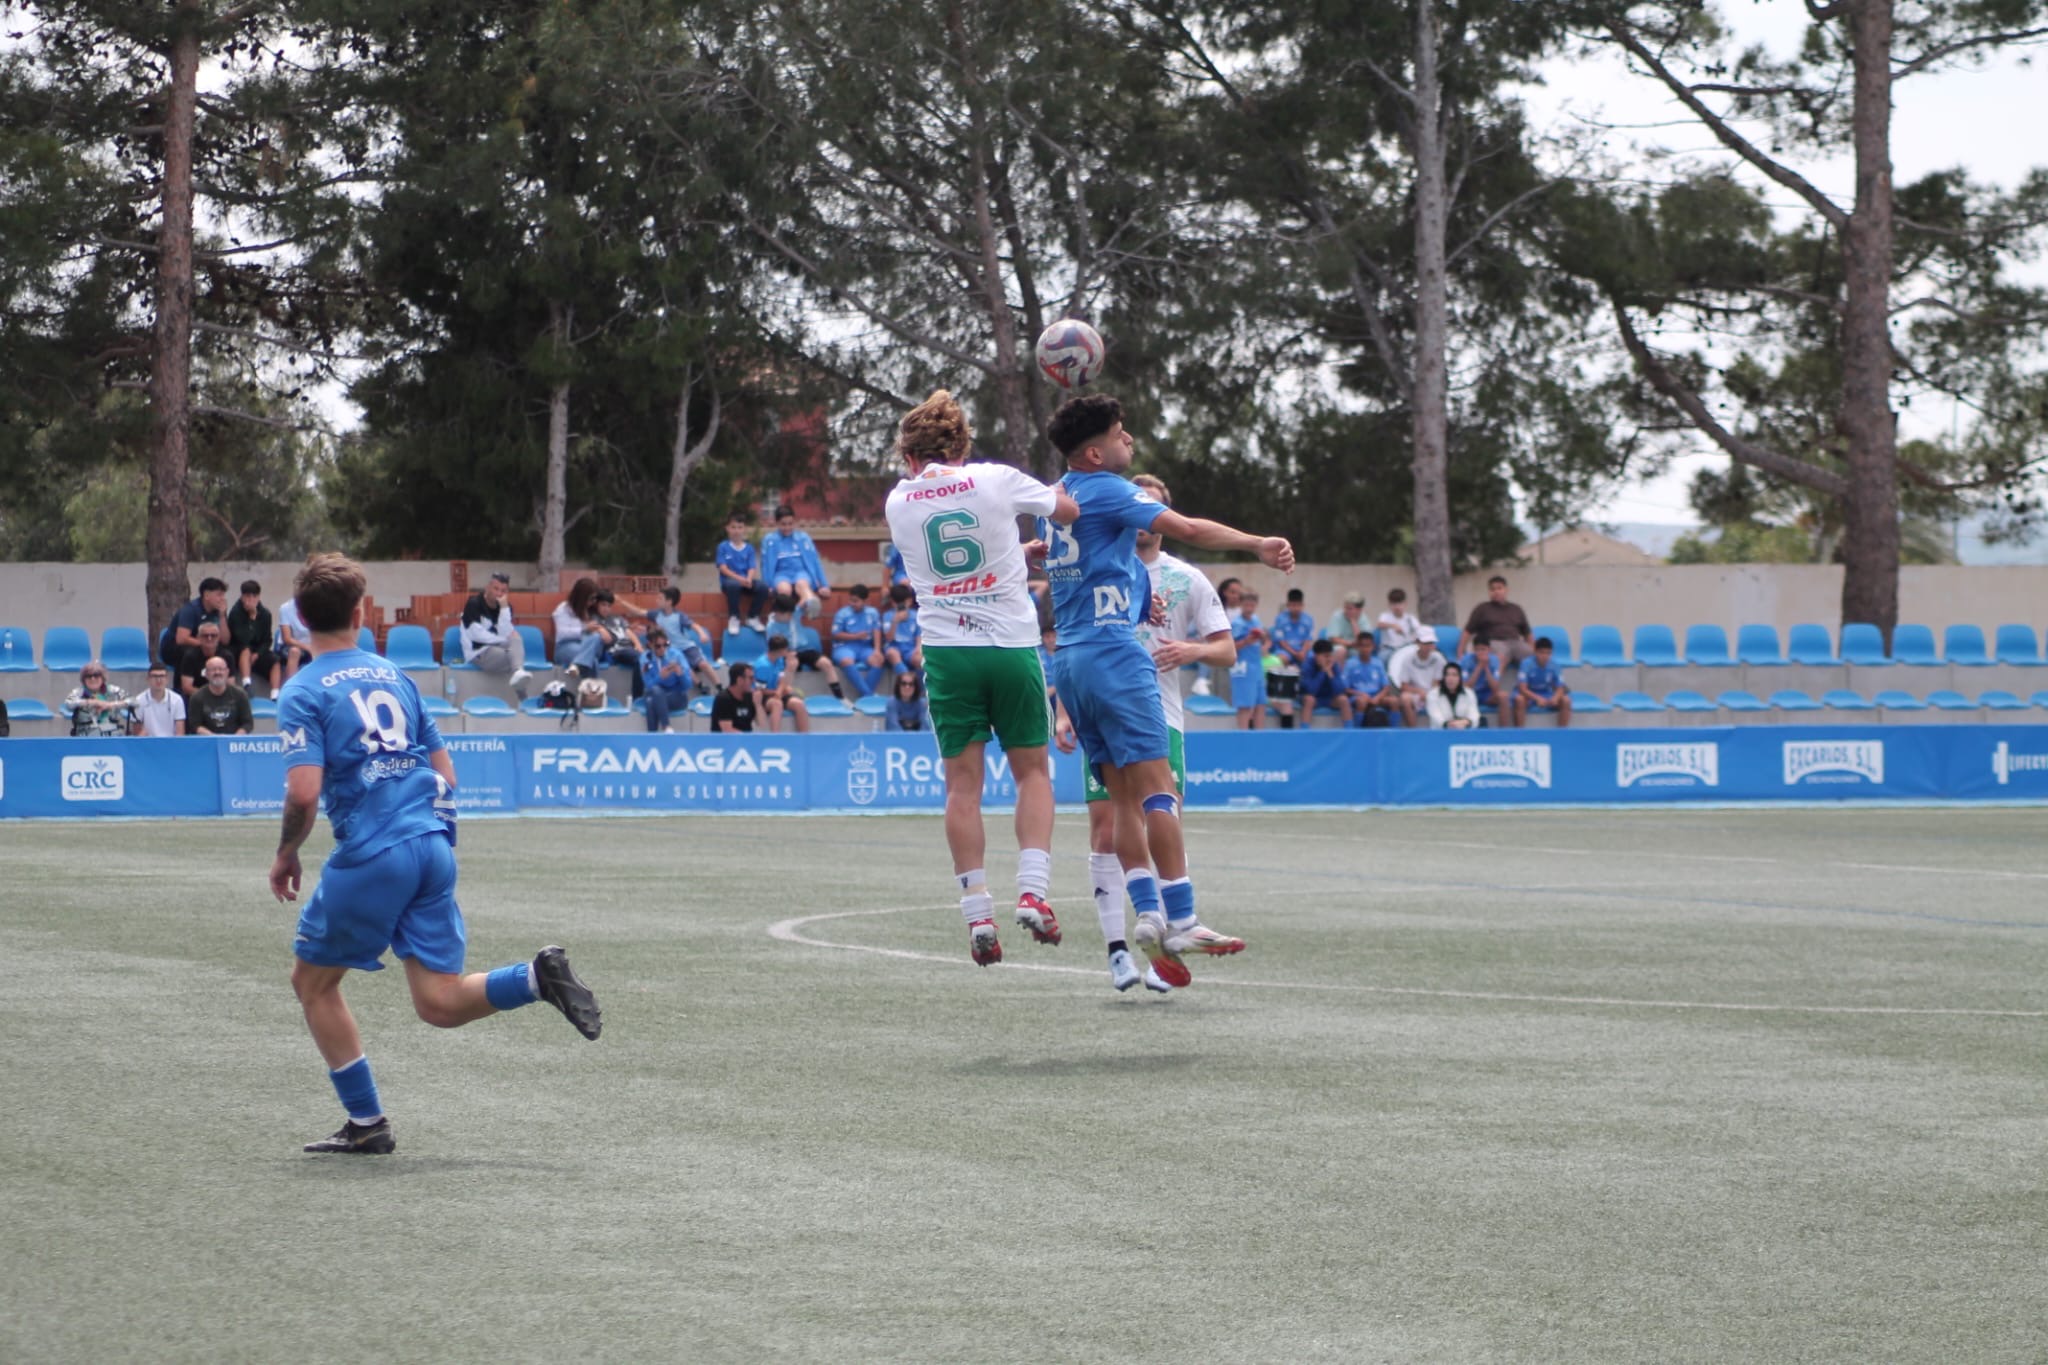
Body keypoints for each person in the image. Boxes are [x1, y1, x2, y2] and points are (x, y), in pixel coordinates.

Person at [269, 551, 601, 1157]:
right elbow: (446, 772)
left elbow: (304, 791)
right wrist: (432, 837)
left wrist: (286, 852)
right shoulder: (394, 676)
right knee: (439, 1002)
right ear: (360, 613)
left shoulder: (302, 690)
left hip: (375, 852)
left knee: (312, 983)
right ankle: (536, 977)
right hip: (430, 843)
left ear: (301, 620)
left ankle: (367, 1123)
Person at [1041, 393, 1293, 987]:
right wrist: (1256, 544)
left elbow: (1092, 561)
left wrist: (1135, 595)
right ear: (1095, 452)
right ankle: (1183, 919)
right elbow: (1188, 528)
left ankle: (1148, 912)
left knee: (1121, 799)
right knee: (1160, 791)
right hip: (1115, 655)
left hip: (1071, 661)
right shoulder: (1107, 488)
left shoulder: (1053, 500)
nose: (1129, 440)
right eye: (1120, 432)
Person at [885, 389, 1079, 967]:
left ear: (910, 457)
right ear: (962, 446)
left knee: (962, 788)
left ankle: (977, 914)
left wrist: (1009, 552)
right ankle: (1033, 892)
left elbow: (951, 550)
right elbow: (1067, 511)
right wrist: (1020, 549)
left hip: (949, 652)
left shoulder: (898, 501)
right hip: (1011, 646)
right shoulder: (996, 478)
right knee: (1032, 773)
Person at [1057, 472, 1233, 992]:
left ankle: (1157, 937)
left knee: (1158, 813)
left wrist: (1192, 650)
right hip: (1109, 690)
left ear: (1161, 515)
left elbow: (1227, 650)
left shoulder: (1185, 578)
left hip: (1161, 710)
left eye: (1151, 509)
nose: (1142, 519)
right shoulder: (1101, 559)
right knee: (1108, 824)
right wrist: (1063, 713)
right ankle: (1128, 943)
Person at [459, 572, 533, 701]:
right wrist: (501, 640)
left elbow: (506, 632)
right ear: (488, 587)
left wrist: (504, 608)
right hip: (478, 652)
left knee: (516, 638)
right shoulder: (474, 603)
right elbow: (475, 635)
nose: (499, 593)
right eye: (496, 589)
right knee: (514, 656)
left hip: (498, 648)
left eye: (503, 591)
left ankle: (518, 672)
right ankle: (522, 693)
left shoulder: (506, 608)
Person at [761, 592, 848, 698]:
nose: (791, 616)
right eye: (788, 614)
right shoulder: (771, 627)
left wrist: (809, 599)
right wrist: (787, 654)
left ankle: (840, 697)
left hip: (805, 650)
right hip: (786, 653)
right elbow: (774, 648)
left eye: (791, 613)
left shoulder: (795, 612)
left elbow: (806, 598)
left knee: (826, 663)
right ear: (778, 612)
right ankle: (786, 695)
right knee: (792, 664)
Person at [759, 505, 829, 622]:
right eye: (783, 524)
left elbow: (815, 561)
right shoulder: (769, 540)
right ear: (777, 523)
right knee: (784, 590)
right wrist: (768, 586)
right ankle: (796, 611)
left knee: (803, 586)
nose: (787, 527)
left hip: (801, 573)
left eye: (790, 524)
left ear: (794, 522)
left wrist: (825, 585)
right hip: (781, 574)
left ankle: (810, 604)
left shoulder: (803, 538)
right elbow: (765, 565)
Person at [1458, 574, 1534, 665]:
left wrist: (1533, 649)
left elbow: (1527, 633)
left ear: (1506, 590)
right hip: (1493, 642)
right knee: (1502, 654)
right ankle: (1496, 675)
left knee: (1534, 656)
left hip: (1515, 642)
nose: (1496, 591)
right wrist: (1460, 652)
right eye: (1492, 589)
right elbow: (1467, 631)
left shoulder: (1516, 609)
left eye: (1499, 588)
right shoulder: (1482, 608)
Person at [1266, 587, 1315, 729]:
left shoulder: (1308, 619)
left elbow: (1308, 640)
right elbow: (1281, 642)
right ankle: (1282, 693)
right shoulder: (1280, 619)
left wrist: (1303, 652)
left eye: (1298, 605)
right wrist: (1294, 653)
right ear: (1288, 605)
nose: (1295, 608)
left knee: (1311, 660)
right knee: (1282, 659)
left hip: (1302, 651)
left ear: (1302, 605)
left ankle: (1306, 693)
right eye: (1292, 605)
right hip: (1286, 651)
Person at [829, 584, 885, 698]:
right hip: (844, 646)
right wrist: (856, 636)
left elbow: (877, 630)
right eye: (851, 600)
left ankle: (864, 696)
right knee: (846, 661)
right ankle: (868, 695)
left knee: (878, 660)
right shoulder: (842, 613)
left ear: (866, 601)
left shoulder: (872, 613)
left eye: (856, 601)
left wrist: (877, 650)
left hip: (864, 647)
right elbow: (835, 634)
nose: (852, 603)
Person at [226, 580, 281, 695]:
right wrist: (251, 619)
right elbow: (242, 639)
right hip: (238, 648)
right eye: (247, 596)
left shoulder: (265, 614)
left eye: (254, 596)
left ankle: (275, 693)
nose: (251, 600)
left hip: (257, 649)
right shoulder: (236, 613)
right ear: (242, 597)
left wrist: (258, 653)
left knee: (275, 660)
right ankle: (247, 683)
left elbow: (267, 640)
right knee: (246, 650)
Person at [159, 575, 227, 668]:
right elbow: (181, 639)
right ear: (207, 595)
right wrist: (207, 645)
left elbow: (225, 640)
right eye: (219, 595)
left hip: (204, 644)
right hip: (174, 648)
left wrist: (222, 616)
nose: (222, 599)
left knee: (227, 653)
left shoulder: (218, 611)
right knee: (192, 654)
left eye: (223, 595)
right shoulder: (190, 610)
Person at [638, 627, 693, 732]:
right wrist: (660, 677)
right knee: (654, 693)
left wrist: (680, 674)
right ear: (650, 645)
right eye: (658, 646)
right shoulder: (645, 659)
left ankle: (654, 735)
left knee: (651, 701)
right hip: (655, 694)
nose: (662, 648)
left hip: (676, 696)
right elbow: (648, 685)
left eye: (665, 644)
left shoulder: (676, 655)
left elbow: (688, 685)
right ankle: (666, 727)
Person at [754, 635, 812, 733]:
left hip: (777, 692)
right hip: (763, 696)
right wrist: (775, 693)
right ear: (780, 651)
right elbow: (760, 690)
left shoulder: (779, 660)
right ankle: (776, 737)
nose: (787, 651)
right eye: (786, 649)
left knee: (799, 704)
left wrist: (780, 691)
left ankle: (804, 737)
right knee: (777, 704)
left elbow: (782, 679)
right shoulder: (762, 666)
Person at [1389, 631, 1447, 728]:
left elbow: (1437, 682)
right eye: (1425, 643)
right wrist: (1420, 692)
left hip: (1434, 692)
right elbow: (1404, 686)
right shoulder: (1408, 659)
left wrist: (1429, 694)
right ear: (1418, 643)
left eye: (1431, 643)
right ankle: (1414, 730)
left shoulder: (1439, 659)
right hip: (1415, 694)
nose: (1428, 646)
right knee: (1405, 698)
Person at [1513, 635, 1573, 727]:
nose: (1545, 656)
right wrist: (1537, 698)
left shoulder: (1555, 665)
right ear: (1535, 652)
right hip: (1529, 694)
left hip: (1546, 694)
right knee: (1519, 700)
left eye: (1548, 653)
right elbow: (1522, 689)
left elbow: (1560, 687)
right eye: (1541, 652)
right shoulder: (1526, 664)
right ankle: (1520, 732)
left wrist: (1555, 698)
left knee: (1566, 701)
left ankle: (1562, 732)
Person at [715, 515, 763, 630]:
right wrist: (739, 579)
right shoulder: (723, 547)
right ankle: (734, 618)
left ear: (744, 529)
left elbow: (752, 567)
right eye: (733, 527)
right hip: (730, 583)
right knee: (733, 585)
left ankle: (752, 617)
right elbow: (723, 568)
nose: (736, 531)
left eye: (740, 527)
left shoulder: (749, 548)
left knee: (763, 587)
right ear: (727, 528)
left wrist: (749, 579)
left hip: (745, 581)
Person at [1341, 632, 1399, 727]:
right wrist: (1361, 694)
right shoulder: (1350, 663)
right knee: (1361, 701)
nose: (1365, 649)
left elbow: (1386, 687)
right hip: (1358, 696)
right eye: (1362, 646)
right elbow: (1345, 688)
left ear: (1373, 647)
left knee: (1394, 701)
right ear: (1357, 647)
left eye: (1368, 646)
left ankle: (1394, 731)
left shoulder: (1378, 663)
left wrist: (1377, 697)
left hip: (1376, 696)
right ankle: (1357, 731)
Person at [1229, 587, 1267, 729]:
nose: (1249, 608)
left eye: (1252, 605)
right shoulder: (1237, 624)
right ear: (1241, 604)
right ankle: (1243, 735)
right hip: (1242, 668)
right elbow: (1230, 647)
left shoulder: (1256, 620)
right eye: (1246, 605)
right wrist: (1246, 641)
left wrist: (1262, 638)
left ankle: (1259, 735)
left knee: (1260, 703)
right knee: (1245, 706)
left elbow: (1264, 641)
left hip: (1256, 666)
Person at [189, 657, 254, 735]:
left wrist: (233, 739)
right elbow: (195, 725)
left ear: (227, 672)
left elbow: (247, 723)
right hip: (207, 740)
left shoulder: (240, 695)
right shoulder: (196, 697)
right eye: (213, 669)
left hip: (235, 740)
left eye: (221, 669)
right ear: (206, 674)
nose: (217, 672)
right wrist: (214, 738)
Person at [64, 662, 132, 737]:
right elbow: (68, 704)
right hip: (85, 736)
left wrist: (110, 705)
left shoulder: (113, 690)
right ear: (83, 679)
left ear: (102, 678)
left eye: (96, 675)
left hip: (113, 735)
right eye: (88, 676)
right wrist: (94, 702)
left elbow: (133, 701)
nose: (92, 679)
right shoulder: (78, 692)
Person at [551, 577, 601, 677]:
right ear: (581, 597)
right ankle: (592, 686)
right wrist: (584, 628)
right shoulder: (564, 609)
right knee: (592, 662)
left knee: (596, 637)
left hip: (586, 646)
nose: (593, 602)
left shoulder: (590, 611)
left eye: (595, 599)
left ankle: (576, 665)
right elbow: (562, 634)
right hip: (565, 646)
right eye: (591, 599)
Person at [1299, 638, 1353, 727]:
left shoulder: (1333, 665)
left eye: (1330, 656)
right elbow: (1311, 690)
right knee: (1309, 699)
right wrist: (1323, 671)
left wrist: (1330, 673)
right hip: (1314, 698)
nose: (1328, 659)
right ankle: (1304, 730)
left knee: (1343, 699)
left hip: (1329, 698)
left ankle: (1349, 730)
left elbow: (1340, 690)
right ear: (1316, 656)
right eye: (1325, 656)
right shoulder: (1307, 665)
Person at [176, 620, 232, 697]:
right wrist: (208, 697)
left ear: (219, 637)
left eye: (213, 635)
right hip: (198, 697)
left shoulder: (227, 656)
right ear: (198, 637)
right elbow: (186, 687)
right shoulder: (190, 656)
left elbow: (230, 684)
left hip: (222, 697)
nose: (209, 638)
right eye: (205, 635)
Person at [1460, 637, 1508, 727]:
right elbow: (1466, 687)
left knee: (1503, 696)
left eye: (1483, 649)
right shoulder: (1466, 660)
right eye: (1478, 650)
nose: (1481, 652)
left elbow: (1496, 688)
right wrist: (1479, 666)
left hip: (1487, 695)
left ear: (1489, 650)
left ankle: (1503, 731)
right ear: (1474, 650)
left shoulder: (1494, 660)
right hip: (1470, 695)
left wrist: (1486, 668)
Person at [130, 663, 186, 736]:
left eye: (162, 676)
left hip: (171, 742)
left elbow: (180, 734)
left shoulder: (177, 700)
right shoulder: (138, 701)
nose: (159, 680)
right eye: (155, 676)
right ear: (148, 679)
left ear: (167, 679)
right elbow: (137, 736)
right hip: (148, 742)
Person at [883, 582, 922, 676]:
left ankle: (921, 685)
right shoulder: (888, 616)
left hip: (910, 649)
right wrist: (895, 621)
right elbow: (888, 638)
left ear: (909, 601)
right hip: (894, 647)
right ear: (892, 602)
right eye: (897, 603)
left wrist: (918, 648)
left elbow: (919, 635)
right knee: (892, 653)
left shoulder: (915, 615)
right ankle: (906, 678)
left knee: (919, 659)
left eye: (903, 603)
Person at [1428, 661, 1481, 730]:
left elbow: (1474, 714)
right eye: (1447, 675)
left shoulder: (1469, 693)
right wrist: (1449, 724)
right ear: (1443, 677)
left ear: (1460, 678)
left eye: (1454, 675)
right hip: (1440, 733)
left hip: (1464, 732)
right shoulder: (1433, 694)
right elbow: (1435, 715)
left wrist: (1466, 722)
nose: (1450, 678)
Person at [711, 662, 758, 733]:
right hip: (725, 740)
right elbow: (727, 730)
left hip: (745, 738)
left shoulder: (749, 696)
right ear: (739, 680)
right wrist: (749, 738)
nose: (753, 681)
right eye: (751, 678)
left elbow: (762, 725)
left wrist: (758, 705)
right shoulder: (723, 699)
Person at [276, 593, 313, 681]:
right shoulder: (285, 608)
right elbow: (287, 639)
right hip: (292, 646)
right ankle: (291, 686)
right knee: (294, 651)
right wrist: (308, 647)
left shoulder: (319, 606)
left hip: (313, 644)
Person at [1377, 587, 1425, 653]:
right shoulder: (1385, 616)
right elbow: (1380, 625)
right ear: (1389, 604)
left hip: (1406, 648)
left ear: (1405, 603)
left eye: (1400, 603)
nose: (1397, 607)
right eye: (1394, 604)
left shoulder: (1410, 618)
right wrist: (1393, 626)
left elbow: (1420, 631)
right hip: (1389, 649)